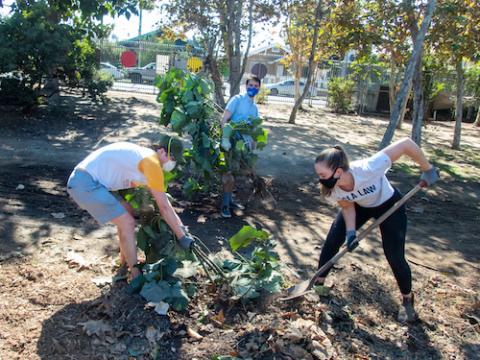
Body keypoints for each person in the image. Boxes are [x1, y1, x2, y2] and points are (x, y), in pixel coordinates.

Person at [313, 138, 439, 323]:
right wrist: (350, 233)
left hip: (389, 204)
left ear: (338, 171)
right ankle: (318, 284)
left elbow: (406, 144)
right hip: (360, 206)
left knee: (394, 255)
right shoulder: (332, 189)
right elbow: (347, 207)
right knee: (333, 239)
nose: (320, 179)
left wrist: (427, 169)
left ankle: (407, 299)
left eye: (323, 175)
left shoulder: (368, 168)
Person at [66, 136, 194, 280]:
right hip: (85, 183)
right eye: (173, 158)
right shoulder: (151, 163)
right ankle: (135, 275)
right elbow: (164, 207)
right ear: (162, 152)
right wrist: (182, 237)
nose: (173, 163)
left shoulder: (145, 157)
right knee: (128, 222)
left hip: (87, 180)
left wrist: (181, 229)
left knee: (127, 211)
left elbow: (162, 203)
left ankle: (124, 261)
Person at [220, 74, 261, 218]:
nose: (253, 88)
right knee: (229, 174)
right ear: (246, 85)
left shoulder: (254, 108)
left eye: (256, 86)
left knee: (238, 173)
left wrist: (254, 145)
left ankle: (229, 200)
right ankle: (224, 206)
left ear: (259, 88)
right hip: (231, 141)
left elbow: (255, 129)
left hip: (244, 146)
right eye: (250, 85)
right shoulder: (236, 100)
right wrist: (225, 138)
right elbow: (224, 119)